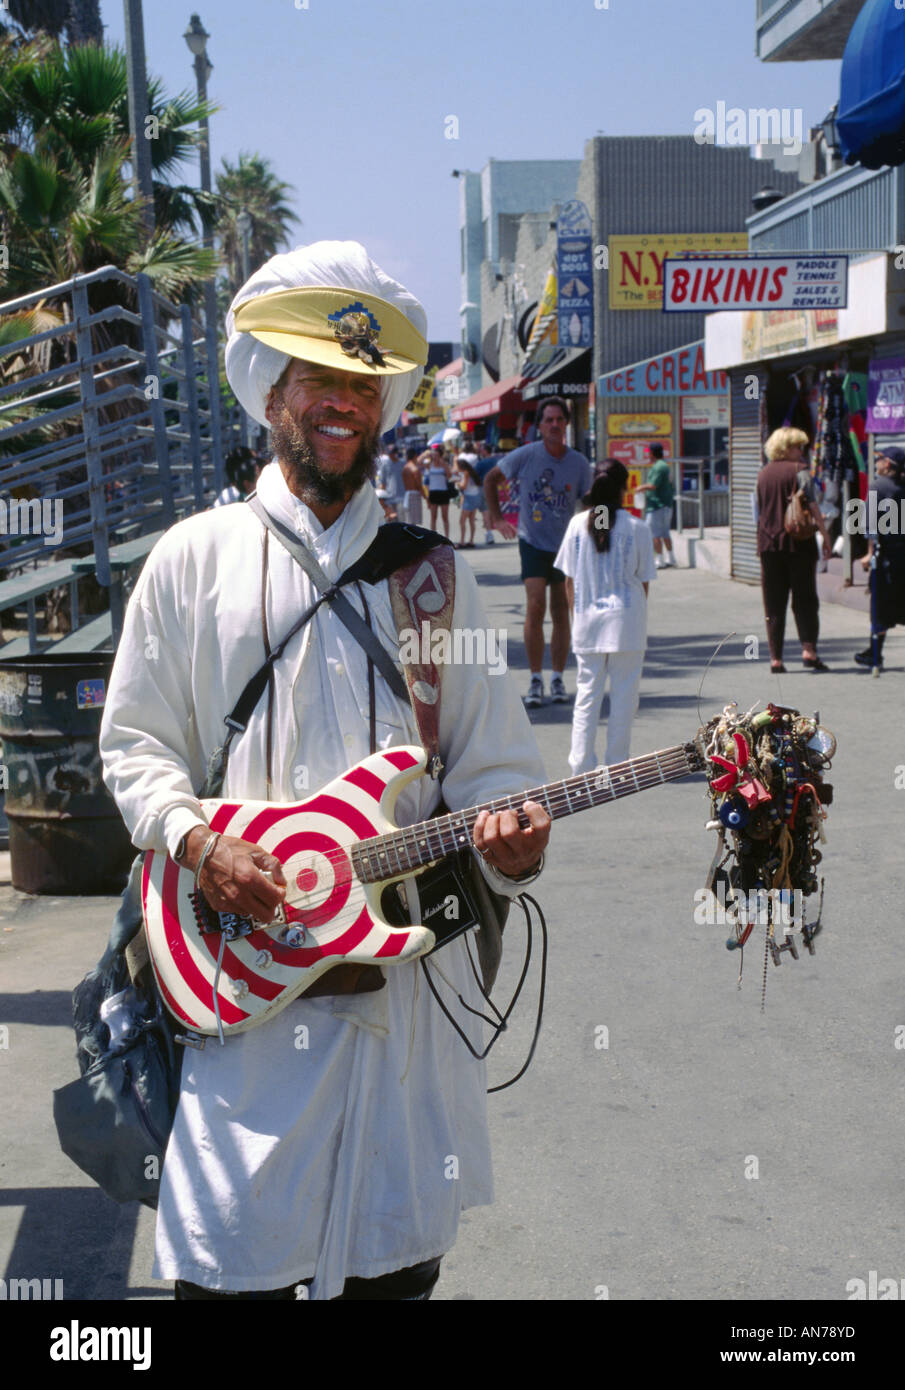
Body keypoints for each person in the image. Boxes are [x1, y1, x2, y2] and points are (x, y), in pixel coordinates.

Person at [98, 241, 550, 1302]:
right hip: (242, 1008)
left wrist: (512, 838)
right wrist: (197, 841)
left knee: (395, 1274)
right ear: (271, 391)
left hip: (401, 1022)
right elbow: (133, 744)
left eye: (363, 382)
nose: (343, 402)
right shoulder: (191, 559)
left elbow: (495, 766)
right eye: (319, 378)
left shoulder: (436, 581)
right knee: (230, 1272)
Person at [484, 397, 592, 707]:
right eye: (549, 420)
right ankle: (535, 679)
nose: (555, 425)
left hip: (565, 545)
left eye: (559, 419)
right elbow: (491, 479)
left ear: (566, 424)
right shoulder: (527, 455)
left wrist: (601, 535)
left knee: (561, 611)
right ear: (540, 426)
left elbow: (591, 501)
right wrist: (497, 516)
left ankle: (557, 678)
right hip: (532, 541)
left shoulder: (579, 463)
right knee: (535, 606)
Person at [553, 461, 656, 773]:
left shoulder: (577, 526)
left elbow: (568, 582)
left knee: (587, 695)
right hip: (626, 623)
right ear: (624, 488)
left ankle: (581, 766)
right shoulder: (637, 527)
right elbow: (645, 581)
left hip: (587, 622)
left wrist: (578, 617)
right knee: (625, 698)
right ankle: (617, 765)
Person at [755, 426, 832, 673]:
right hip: (799, 543)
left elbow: (756, 511)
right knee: (805, 599)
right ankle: (808, 650)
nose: (801, 451)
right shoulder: (800, 472)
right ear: (785, 448)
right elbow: (812, 505)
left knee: (773, 602)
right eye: (798, 446)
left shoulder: (763, 474)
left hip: (768, 545)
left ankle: (775, 658)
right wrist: (825, 535)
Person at [855, 444, 905, 669]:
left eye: (879, 459)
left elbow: (870, 527)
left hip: (886, 558)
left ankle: (875, 653)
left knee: (880, 606)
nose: (876, 463)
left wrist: (868, 554)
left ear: (887, 464)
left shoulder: (877, 487)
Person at [633, 443, 676, 568]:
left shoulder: (658, 467)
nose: (647, 454)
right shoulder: (663, 465)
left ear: (652, 453)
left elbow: (653, 485)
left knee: (655, 534)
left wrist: (641, 487)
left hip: (657, 505)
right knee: (665, 533)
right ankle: (671, 558)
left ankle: (659, 560)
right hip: (665, 504)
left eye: (648, 452)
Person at [457, 453, 484, 548]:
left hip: (469, 497)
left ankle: (462, 541)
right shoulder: (472, 471)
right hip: (475, 496)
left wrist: (457, 483)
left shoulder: (466, 473)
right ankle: (471, 540)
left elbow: (463, 486)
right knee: (471, 520)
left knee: (462, 520)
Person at [425, 445, 452, 536]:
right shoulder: (430, 465)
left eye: (436, 455)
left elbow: (449, 476)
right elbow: (419, 462)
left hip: (443, 491)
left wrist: (443, 464)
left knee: (445, 516)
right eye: (433, 455)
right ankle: (433, 536)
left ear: (440, 456)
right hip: (433, 492)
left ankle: (447, 536)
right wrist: (427, 454)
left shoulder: (444, 464)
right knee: (433, 516)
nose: (435, 457)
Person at [400, 445, 424, 525]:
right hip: (414, 495)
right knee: (414, 522)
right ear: (415, 456)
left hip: (407, 494)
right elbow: (419, 486)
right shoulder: (415, 469)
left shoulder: (405, 468)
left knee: (409, 521)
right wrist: (426, 499)